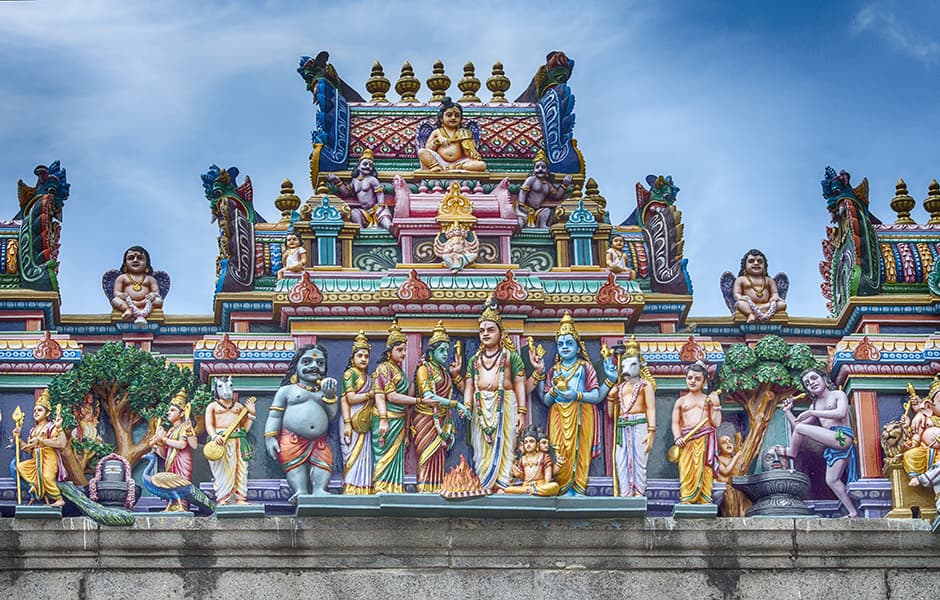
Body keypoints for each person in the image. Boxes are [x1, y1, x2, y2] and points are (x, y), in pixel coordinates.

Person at [531, 311, 603, 495]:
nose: (564, 347)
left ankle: (578, 488)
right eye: (560, 344)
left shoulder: (584, 367)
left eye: (569, 343)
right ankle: (561, 487)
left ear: (578, 347)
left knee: (579, 450)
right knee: (558, 451)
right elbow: (546, 400)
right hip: (557, 416)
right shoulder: (554, 371)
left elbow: (595, 395)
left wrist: (576, 395)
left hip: (581, 413)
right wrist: (550, 388)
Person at [774, 367, 860, 517]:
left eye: (814, 378)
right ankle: (853, 512)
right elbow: (798, 427)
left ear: (824, 379)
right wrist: (787, 411)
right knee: (832, 480)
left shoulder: (837, 394)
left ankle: (791, 452)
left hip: (841, 436)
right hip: (833, 446)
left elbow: (841, 412)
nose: (811, 383)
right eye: (807, 383)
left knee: (801, 429)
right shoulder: (815, 405)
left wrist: (812, 413)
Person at [464, 296, 527, 493]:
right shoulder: (475, 359)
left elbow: (519, 383)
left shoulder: (509, 356)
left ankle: (502, 483)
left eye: (490, 330)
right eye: (482, 330)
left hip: (505, 404)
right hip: (481, 405)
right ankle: (485, 482)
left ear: (501, 333)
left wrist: (522, 412)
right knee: (481, 446)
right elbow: (469, 384)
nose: (485, 334)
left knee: (506, 445)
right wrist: (466, 405)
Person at [266, 345, 338, 497]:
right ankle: (300, 490)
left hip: (319, 441)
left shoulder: (323, 392)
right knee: (295, 466)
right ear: (296, 366)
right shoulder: (287, 391)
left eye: (320, 363)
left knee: (324, 463)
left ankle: (319, 489)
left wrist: (330, 397)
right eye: (307, 362)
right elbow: (275, 415)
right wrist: (270, 437)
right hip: (292, 439)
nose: (314, 367)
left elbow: (331, 416)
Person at [413, 321, 468, 493]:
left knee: (439, 456)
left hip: (442, 420)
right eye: (441, 350)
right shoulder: (424, 369)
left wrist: (456, 374)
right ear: (431, 352)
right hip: (426, 419)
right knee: (427, 455)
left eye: (447, 350)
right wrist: (456, 404)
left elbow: (460, 391)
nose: (446, 354)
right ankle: (423, 488)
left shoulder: (444, 373)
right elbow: (428, 396)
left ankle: (435, 487)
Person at [372, 321, 421, 494]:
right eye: (399, 350)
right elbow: (388, 396)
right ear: (389, 351)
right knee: (384, 454)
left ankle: (394, 487)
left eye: (405, 349)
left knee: (397, 455)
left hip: (400, 420)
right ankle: (381, 486)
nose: (404, 353)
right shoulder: (384, 368)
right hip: (387, 419)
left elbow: (407, 393)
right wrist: (384, 419)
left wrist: (416, 375)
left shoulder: (398, 371)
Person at [603, 336, 656, 497]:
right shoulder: (620, 387)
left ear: (640, 366)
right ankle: (625, 492)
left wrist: (651, 431)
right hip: (621, 426)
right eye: (624, 364)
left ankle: (638, 491)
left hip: (640, 424)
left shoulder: (645, 386)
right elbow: (612, 415)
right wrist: (611, 397)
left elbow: (651, 409)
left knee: (639, 459)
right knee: (621, 460)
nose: (627, 368)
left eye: (633, 364)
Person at [671, 362, 722, 504]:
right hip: (687, 440)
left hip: (705, 438)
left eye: (697, 379)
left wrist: (716, 405)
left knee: (706, 468)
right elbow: (675, 423)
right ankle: (687, 498)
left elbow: (716, 423)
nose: (693, 381)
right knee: (686, 469)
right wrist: (677, 437)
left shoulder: (708, 400)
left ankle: (705, 498)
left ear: (704, 381)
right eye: (690, 378)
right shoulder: (681, 402)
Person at [205, 376, 256, 505]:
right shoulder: (212, 406)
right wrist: (214, 436)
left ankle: (240, 498)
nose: (227, 391)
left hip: (238, 441)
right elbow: (209, 425)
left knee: (241, 469)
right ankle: (223, 498)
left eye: (230, 386)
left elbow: (244, 429)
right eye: (222, 387)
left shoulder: (239, 407)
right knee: (222, 471)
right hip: (220, 441)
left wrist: (251, 414)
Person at [13, 390, 67, 507]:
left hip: (48, 458)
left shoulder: (51, 426)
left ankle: (59, 498)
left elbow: (61, 443)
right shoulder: (33, 430)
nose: (36, 412)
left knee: (47, 477)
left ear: (47, 413)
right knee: (21, 467)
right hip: (36, 459)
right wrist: (17, 437)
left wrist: (41, 440)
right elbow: (27, 449)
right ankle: (37, 486)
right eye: (35, 410)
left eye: (40, 410)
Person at [340, 331, 375, 495]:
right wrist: (347, 423)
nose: (363, 359)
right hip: (351, 417)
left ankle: (363, 486)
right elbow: (349, 398)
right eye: (360, 355)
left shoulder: (369, 377)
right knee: (350, 452)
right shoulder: (350, 374)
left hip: (365, 419)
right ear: (352, 358)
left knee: (365, 453)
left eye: (366, 356)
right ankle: (350, 486)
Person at [151, 390, 197, 510]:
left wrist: (164, 439)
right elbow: (164, 455)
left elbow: (182, 445)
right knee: (170, 485)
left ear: (181, 413)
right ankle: (172, 506)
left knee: (181, 485)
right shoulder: (171, 431)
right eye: (169, 410)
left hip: (182, 462)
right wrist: (158, 443)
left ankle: (183, 506)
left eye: (172, 410)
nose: (168, 413)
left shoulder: (184, 427)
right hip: (170, 464)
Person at [326, 149, 393, 229]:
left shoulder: (372, 179)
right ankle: (361, 232)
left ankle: (391, 228)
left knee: (386, 222)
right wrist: (338, 182)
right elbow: (346, 193)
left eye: (370, 165)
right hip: (365, 212)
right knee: (354, 212)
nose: (368, 167)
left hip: (376, 209)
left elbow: (379, 193)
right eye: (365, 164)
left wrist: (380, 206)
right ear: (358, 166)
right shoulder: (354, 181)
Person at [417, 97, 486, 172]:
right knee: (422, 152)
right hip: (439, 162)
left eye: (457, 115)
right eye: (449, 115)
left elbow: (467, 153)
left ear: (461, 119)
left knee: (481, 165)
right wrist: (437, 141)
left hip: (459, 163)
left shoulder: (463, 132)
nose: (453, 118)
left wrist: (471, 152)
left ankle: (455, 167)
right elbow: (428, 148)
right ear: (441, 119)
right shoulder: (437, 132)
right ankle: (435, 166)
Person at [516, 149, 572, 228]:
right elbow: (522, 192)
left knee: (546, 211)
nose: (540, 169)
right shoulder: (531, 180)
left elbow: (557, 195)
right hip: (525, 210)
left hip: (538, 210)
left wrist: (564, 184)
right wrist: (521, 205)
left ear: (547, 170)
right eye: (537, 167)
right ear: (534, 170)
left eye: (543, 167)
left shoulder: (548, 185)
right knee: (520, 223)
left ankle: (543, 225)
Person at [111, 246, 164, 323]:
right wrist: (121, 295)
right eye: (131, 258)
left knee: (158, 301)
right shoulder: (122, 278)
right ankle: (127, 310)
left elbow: (156, 292)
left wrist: (153, 295)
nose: (135, 260)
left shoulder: (150, 279)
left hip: (146, 302)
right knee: (115, 300)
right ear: (125, 263)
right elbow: (116, 293)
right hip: (128, 302)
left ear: (147, 263)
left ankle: (145, 313)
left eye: (140, 258)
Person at [503, 426, 560, 496]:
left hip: (540, 485)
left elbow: (548, 476)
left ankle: (534, 491)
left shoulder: (544, 456)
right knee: (507, 489)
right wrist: (518, 474)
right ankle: (531, 491)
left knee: (554, 486)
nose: (528, 444)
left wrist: (546, 484)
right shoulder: (522, 459)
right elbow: (523, 477)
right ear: (523, 445)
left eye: (531, 441)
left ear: (537, 444)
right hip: (526, 486)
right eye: (526, 442)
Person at [732, 249, 786, 323]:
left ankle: (757, 311)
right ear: (745, 265)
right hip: (749, 304)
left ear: (765, 265)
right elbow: (736, 294)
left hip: (767, 304)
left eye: (760, 261)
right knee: (739, 304)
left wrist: (774, 297)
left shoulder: (768, 280)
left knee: (782, 304)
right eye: (751, 261)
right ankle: (750, 314)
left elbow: (774, 293)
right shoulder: (741, 279)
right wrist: (741, 297)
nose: (756, 263)